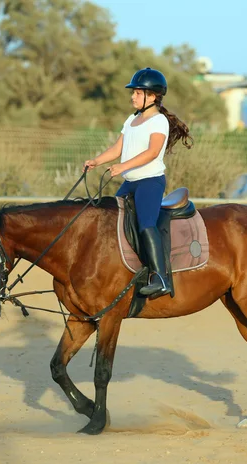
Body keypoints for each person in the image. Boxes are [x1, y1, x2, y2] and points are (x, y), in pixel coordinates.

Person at [84, 67, 193, 299]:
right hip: (131, 182)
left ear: (152, 96)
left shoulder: (158, 121)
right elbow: (117, 148)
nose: (132, 96)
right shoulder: (132, 119)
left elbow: (153, 152)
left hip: (150, 182)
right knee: (111, 220)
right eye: (133, 92)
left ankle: (160, 277)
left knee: (145, 224)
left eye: (137, 93)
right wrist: (96, 160)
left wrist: (123, 166)